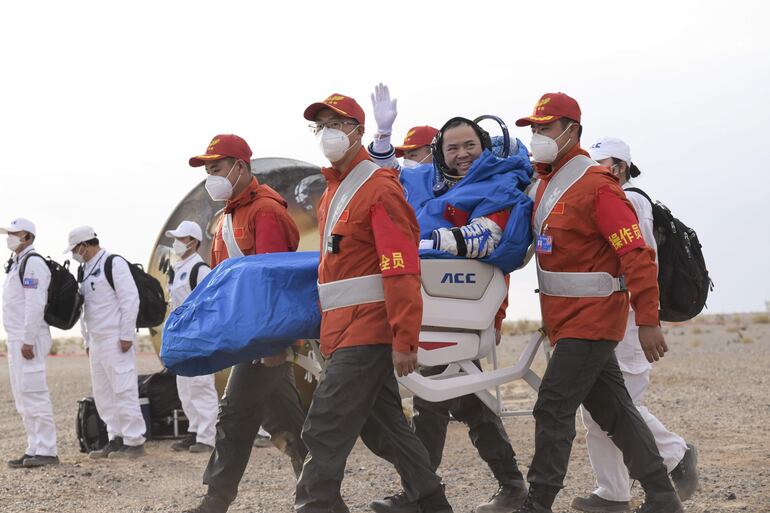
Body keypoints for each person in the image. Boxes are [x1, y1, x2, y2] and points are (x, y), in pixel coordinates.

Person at [511, 93, 683, 513]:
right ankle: (662, 495)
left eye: (546, 128)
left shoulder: (597, 187)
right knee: (615, 410)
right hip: (565, 321)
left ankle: (538, 501)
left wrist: (647, 319)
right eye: (534, 129)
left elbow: (637, 254)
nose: (538, 136)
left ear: (573, 130)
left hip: (593, 320)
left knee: (552, 406)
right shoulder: (546, 183)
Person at [295, 93, 453, 513]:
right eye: (321, 125)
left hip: (369, 329)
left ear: (358, 131)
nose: (327, 132)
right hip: (343, 329)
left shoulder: (379, 188)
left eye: (336, 123)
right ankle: (435, 505)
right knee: (389, 433)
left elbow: (401, 268)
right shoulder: (334, 192)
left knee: (324, 426)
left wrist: (406, 338)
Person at [369, 117, 534, 513]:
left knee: (435, 394)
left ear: (483, 146)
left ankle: (419, 492)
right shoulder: (435, 186)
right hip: (432, 303)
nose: (461, 156)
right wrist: (381, 139)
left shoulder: (500, 185)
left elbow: (485, 238)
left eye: (469, 147)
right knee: (466, 397)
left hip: (460, 306)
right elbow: (382, 179)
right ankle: (509, 485)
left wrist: (417, 244)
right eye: (452, 149)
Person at [182, 134, 344, 513]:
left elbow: (275, 281)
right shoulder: (227, 216)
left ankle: (214, 502)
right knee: (287, 424)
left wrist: (274, 344)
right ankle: (329, 504)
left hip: (264, 337)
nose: (211, 176)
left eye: (216, 168)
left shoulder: (265, 211)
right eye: (207, 170)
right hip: (247, 336)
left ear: (241, 167)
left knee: (234, 414)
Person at [569, 137, 698, 513]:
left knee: (614, 404)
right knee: (597, 407)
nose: (590, 171)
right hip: (607, 316)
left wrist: (645, 318)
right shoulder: (600, 201)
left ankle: (676, 454)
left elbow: (642, 261)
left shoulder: (632, 201)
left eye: (600, 163)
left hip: (625, 319)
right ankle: (613, 493)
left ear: (621, 168)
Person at [66, 225, 146, 459]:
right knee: (104, 394)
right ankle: (116, 438)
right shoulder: (85, 269)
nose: (74, 253)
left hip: (115, 338)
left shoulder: (113, 263)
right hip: (97, 341)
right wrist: (87, 340)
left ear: (84, 245)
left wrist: (125, 335)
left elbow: (130, 300)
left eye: (74, 248)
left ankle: (134, 441)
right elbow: (85, 309)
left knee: (124, 389)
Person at [1, 218, 58, 468]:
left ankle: (47, 450)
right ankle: (34, 447)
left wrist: (27, 339)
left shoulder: (33, 263)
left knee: (34, 393)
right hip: (17, 338)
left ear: (27, 236)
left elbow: (35, 304)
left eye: (14, 233)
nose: (9, 237)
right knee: (23, 396)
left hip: (29, 339)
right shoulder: (16, 263)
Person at [164, 220, 218, 454]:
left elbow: (210, 304)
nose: (176, 242)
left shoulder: (200, 269)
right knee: (185, 387)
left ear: (193, 242)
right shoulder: (178, 269)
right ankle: (195, 430)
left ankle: (208, 437)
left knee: (200, 385)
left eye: (181, 238)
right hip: (181, 337)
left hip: (197, 336)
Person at [367, 83, 438, 170]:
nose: (406, 161)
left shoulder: (456, 181)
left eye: (412, 155)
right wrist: (383, 131)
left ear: (436, 154)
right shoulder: (405, 178)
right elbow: (385, 163)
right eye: (404, 157)